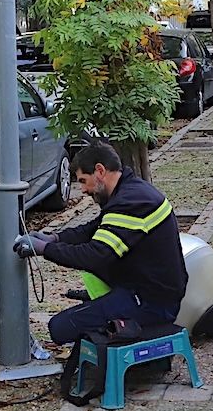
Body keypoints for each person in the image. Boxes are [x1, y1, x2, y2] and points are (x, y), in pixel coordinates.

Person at [15, 142, 188, 346]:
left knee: (60, 327)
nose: (83, 190)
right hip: (144, 289)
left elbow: (95, 255)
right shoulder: (129, 191)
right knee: (77, 318)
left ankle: (129, 331)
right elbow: (92, 229)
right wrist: (54, 238)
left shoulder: (132, 202)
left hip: (152, 302)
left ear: (99, 170)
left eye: (83, 181)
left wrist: (45, 249)